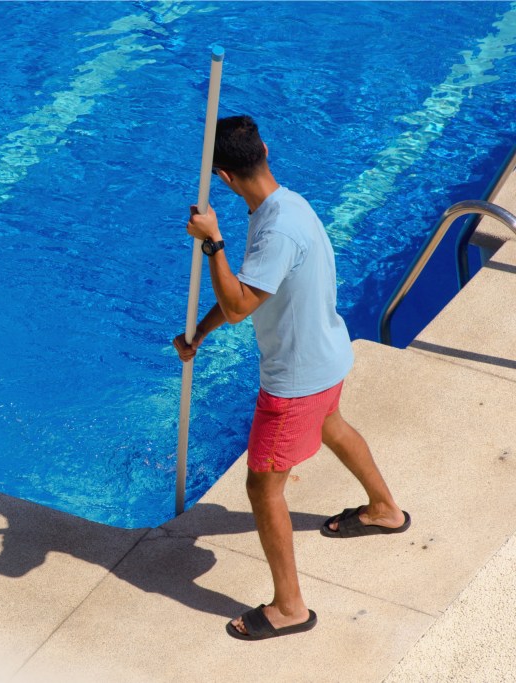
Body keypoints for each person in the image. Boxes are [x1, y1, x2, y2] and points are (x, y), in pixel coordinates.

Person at [173, 115, 411, 641]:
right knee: (334, 426)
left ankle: (289, 607)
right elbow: (253, 291)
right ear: (264, 149)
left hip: (295, 380)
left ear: (225, 179)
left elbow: (239, 305)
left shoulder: (274, 229)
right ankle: (385, 509)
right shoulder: (286, 204)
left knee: (263, 487)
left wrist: (213, 244)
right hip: (327, 357)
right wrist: (201, 331)